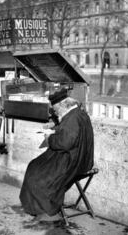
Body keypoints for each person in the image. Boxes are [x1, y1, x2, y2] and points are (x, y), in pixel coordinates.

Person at [19, 88, 94, 222]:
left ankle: (44, 210)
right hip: (82, 158)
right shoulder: (79, 114)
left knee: (35, 173)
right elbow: (70, 132)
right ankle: (41, 206)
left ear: (63, 105)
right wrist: (55, 128)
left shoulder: (72, 119)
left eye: (55, 109)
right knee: (35, 166)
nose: (55, 112)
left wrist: (49, 138)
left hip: (72, 161)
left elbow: (65, 142)